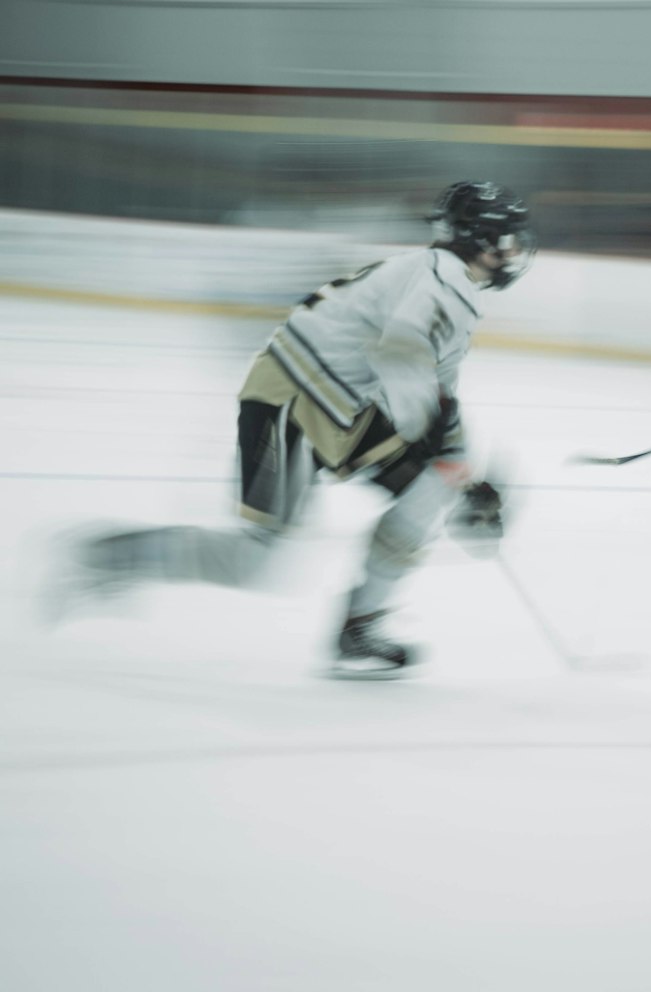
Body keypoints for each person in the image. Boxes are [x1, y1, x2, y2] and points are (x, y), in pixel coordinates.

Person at [49, 181, 537, 677]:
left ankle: (360, 626)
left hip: (329, 402)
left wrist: (459, 472)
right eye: (508, 240)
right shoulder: (445, 282)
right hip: (296, 401)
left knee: (426, 490)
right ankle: (110, 556)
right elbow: (404, 358)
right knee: (253, 559)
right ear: (481, 238)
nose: (514, 252)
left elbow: (435, 390)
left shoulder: (437, 276)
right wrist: (446, 458)